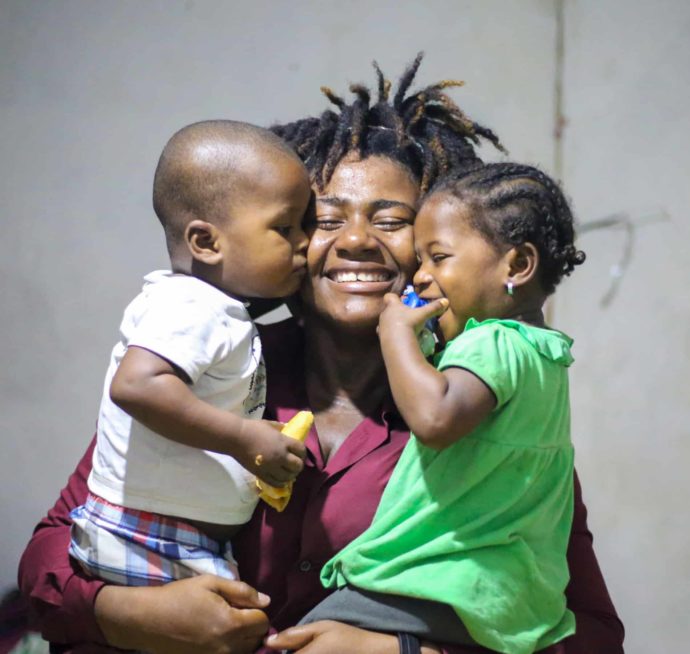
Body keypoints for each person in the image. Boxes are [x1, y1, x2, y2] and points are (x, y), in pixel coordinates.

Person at [19, 55, 624, 654]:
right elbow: (52, 549)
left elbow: (590, 634)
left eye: (393, 220)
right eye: (324, 220)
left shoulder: (484, 399)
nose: (356, 241)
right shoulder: (205, 370)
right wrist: (126, 614)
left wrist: (402, 653)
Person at [300, 161, 585, 654]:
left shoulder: (494, 342)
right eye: (421, 261)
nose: (422, 277)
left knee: (308, 635)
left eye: (438, 258)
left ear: (516, 266)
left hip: (443, 584)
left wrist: (395, 337)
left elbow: (434, 419)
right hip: (499, 596)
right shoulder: (544, 355)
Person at [68, 120, 311, 588]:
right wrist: (244, 437)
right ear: (206, 242)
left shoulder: (219, 309)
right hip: (148, 537)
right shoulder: (191, 304)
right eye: (285, 227)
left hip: (173, 537)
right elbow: (137, 385)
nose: (303, 242)